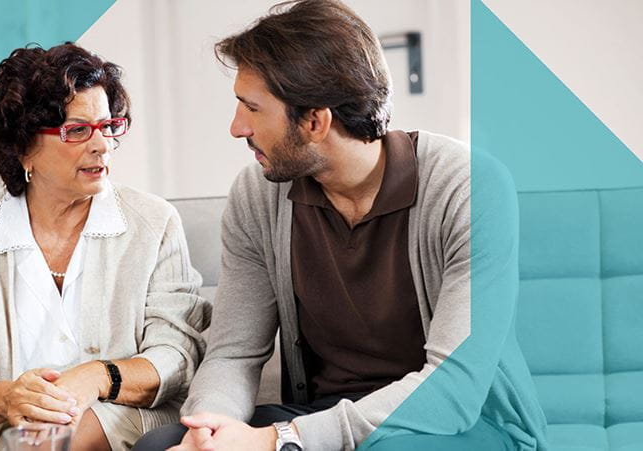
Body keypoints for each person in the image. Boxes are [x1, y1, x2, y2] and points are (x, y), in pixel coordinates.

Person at [134, 1, 548, 450]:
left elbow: (454, 387)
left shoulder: (467, 186)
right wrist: (208, 431)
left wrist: (280, 440)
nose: (237, 128)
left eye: (251, 109)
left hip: (458, 425)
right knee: (162, 446)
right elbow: (233, 351)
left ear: (315, 121)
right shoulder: (258, 195)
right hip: (324, 413)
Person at [0, 43, 211, 451]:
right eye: (77, 130)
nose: (102, 145)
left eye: (108, 126)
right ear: (22, 147)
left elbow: (177, 354)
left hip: (115, 420)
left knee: (49, 440)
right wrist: (9, 398)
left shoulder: (153, 223)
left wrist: (95, 377)